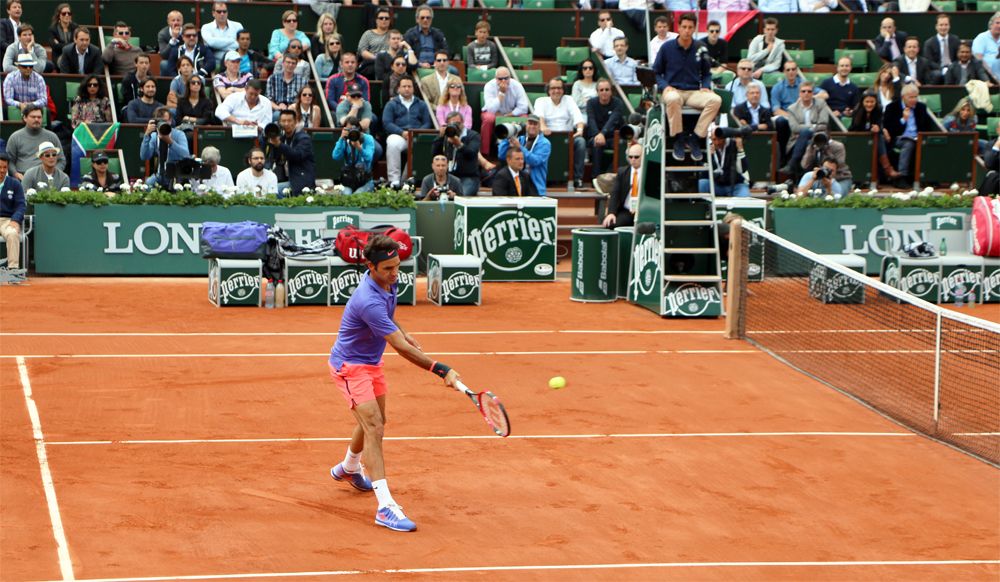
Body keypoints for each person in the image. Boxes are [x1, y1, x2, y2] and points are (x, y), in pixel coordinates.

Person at [327, 232, 461, 533]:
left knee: (375, 421)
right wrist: (443, 370)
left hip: (371, 363)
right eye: (387, 269)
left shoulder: (388, 282)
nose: (394, 273)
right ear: (370, 267)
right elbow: (399, 347)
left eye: (397, 266)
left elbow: (390, 318)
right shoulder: (367, 299)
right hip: (350, 366)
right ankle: (385, 507)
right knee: (373, 425)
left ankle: (348, 468)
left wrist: (402, 330)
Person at [653, 13, 721, 162]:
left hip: (693, 92)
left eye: (690, 27)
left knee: (716, 100)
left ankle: (695, 138)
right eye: (684, 27)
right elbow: (656, 73)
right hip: (672, 90)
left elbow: (707, 73)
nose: (687, 30)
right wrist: (665, 86)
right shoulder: (666, 47)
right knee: (673, 98)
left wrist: (706, 86)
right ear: (678, 27)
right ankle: (679, 138)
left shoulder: (701, 47)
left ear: (695, 28)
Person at [534, 77, 586, 189]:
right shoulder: (541, 100)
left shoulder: (569, 100)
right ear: (548, 90)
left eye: (559, 88)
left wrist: (580, 130)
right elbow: (539, 118)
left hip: (567, 136)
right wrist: (543, 127)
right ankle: (544, 177)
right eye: (553, 88)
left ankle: (577, 178)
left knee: (581, 142)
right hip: (548, 135)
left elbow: (578, 117)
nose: (556, 91)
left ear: (563, 90)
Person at [383, 77, 433, 187]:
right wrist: (402, 133)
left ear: (413, 89)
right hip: (399, 135)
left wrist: (416, 133)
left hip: (417, 136)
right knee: (392, 143)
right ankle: (394, 180)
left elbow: (427, 123)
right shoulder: (391, 104)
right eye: (404, 86)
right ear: (398, 89)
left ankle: (405, 181)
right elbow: (387, 123)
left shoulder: (421, 104)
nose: (407, 89)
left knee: (420, 146)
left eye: (409, 86)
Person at [884, 84, 935, 187]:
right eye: (911, 97)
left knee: (932, 143)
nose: (914, 100)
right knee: (909, 143)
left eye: (916, 97)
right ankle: (902, 176)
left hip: (918, 137)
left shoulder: (921, 107)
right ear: (903, 97)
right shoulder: (892, 107)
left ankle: (930, 177)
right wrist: (903, 120)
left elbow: (927, 127)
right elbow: (890, 130)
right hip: (899, 138)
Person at [779, 81, 833, 178]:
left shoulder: (821, 104)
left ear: (813, 93)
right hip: (797, 140)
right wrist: (811, 126)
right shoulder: (792, 108)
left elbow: (823, 123)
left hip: (819, 138)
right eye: (803, 91)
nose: (806, 94)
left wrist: (807, 128)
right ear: (799, 93)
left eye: (809, 91)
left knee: (806, 134)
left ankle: (792, 163)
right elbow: (794, 128)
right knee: (807, 138)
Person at [4, 105, 65, 180]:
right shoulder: (15, 137)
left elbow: (61, 160)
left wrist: (53, 174)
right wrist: (16, 174)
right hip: (22, 177)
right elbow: (9, 162)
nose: (36, 119)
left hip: (47, 178)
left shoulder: (52, 136)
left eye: (39, 117)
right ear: (25, 118)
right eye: (33, 117)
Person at [850, 90, 899, 181]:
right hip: (858, 138)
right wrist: (871, 130)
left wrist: (879, 129)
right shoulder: (857, 111)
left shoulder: (878, 109)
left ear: (876, 102)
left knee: (881, 139)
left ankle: (879, 176)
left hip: (874, 138)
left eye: (872, 102)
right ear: (862, 102)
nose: (869, 104)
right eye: (867, 102)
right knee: (879, 139)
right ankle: (887, 169)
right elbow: (855, 128)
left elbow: (879, 125)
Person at [480, 67, 530, 155]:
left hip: (512, 114)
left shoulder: (517, 85)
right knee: (488, 119)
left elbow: (523, 107)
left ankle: (523, 150)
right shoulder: (489, 86)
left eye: (506, 78)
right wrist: (501, 94)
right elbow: (491, 109)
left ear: (510, 77)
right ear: (496, 79)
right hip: (493, 113)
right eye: (500, 79)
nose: (503, 81)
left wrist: (511, 114)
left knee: (524, 118)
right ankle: (485, 153)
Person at [497, 115, 550, 196]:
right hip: (518, 185)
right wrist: (508, 137)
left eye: (535, 124)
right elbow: (502, 155)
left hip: (536, 187)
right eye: (530, 123)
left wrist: (520, 147)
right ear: (526, 125)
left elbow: (535, 161)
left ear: (539, 127)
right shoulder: (520, 139)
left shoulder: (545, 143)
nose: (532, 126)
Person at [267, 109, 315, 196]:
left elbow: (297, 155)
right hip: (285, 178)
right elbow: (274, 158)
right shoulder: (281, 137)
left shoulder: (304, 138)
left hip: (300, 180)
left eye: (289, 121)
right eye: (283, 121)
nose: (286, 124)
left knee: (273, 191)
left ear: (296, 122)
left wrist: (279, 144)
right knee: (268, 188)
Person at [432, 110, 481, 196]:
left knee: (462, 196)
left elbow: (472, 154)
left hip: (468, 177)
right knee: (438, 195)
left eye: (458, 123)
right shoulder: (445, 135)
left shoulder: (473, 135)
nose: (455, 126)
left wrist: (459, 145)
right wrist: (440, 137)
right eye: (452, 124)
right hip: (448, 176)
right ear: (447, 124)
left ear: (463, 123)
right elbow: (434, 155)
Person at [140, 107, 190, 188]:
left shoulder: (179, 134)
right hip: (160, 174)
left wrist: (170, 141)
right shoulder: (154, 136)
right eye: (160, 122)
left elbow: (186, 155)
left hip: (177, 174)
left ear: (170, 121)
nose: (163, 124)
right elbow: (144, 156)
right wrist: (146, 135)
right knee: (147, 184)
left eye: (165, 121)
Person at [586, 79, 625, 177]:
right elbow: (591, 121)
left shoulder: (618, 103)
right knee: (596, 144)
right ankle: (595, 178)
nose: (604, 92)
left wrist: (602, 133)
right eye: (601, 90)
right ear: (597, 92)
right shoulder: (591, 103)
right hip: (595, 136)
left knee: (621, 144)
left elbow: (613, 120)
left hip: (613, 137)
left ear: (611, 91)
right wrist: (598, 135)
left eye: (607, 90)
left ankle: (612, 175)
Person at [697, 130, 750, 198]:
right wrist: (710, 158)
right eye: (714, 139)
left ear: (725, 137)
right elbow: (704, 175)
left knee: (744, 197)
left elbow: (742, 170)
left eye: (720, 139)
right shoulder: (710, 148)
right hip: (717, 186)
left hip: (736, 185)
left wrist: (740, 149)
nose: (717, 142)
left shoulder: (733, 145)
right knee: (701, 184)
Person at [332, 116, 375, 194]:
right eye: (349, 130)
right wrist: (341, 138)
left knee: (357, 195)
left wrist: (359, 148)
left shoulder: (368, 138)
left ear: (359, 128)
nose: (352, 132)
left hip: (364, 181)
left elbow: (369, 158)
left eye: (354, 129)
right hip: (348, 181)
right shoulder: (344, 140)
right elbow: (335, 156)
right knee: (346, 195)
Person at [603, 143, 641, 227]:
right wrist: (611, 213)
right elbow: (615, 193)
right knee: (611, 223)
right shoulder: (622, 172)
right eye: (630, 157)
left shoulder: (649, 172)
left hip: (643, 211)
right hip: (626, 210)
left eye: (636, 157)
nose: (633, 159)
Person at [0, 153, 26, 272]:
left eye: (5, 167)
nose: (2, 170)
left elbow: (21, 205)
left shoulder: (15, 183)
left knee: (12, 234)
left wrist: (16, 220)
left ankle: (13, 271)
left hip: (8, 220)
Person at [403, 6, 449, 70]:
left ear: (431, 19)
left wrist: (438, 62)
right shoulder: (410, 34)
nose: (425, 20)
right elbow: (405, 54)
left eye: (428, 18)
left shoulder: (438, 33)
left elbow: (445, 50)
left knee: (454, 71)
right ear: (417, 19)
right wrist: (419, 64)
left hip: (436, 65)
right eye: (422, 18)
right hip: (417, 66)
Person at [267, 55, 308, 119]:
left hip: (296, 109)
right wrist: (278, 107)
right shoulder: (272, 78)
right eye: (288, 62)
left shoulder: (302, 80)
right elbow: (268, 99)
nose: (290, 65)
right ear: (283, 63)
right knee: (276, 116)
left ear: (296, 65)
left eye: (293, 63)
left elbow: (304, 99)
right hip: (277, 109)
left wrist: (292, 107)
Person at [358, 6, 392, 76]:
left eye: (387, 18)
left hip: (390, 64)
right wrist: (377, 58)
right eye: (381, 18)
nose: (384, 20)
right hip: (372, 63)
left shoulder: (394, 34)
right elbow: (362, 51)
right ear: (376, 20)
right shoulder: (368, 34)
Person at [972, 11, 1000, 79]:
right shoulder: (981, 37)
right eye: (997, 23)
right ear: (991, 25)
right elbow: (978, 59)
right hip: (987, 74)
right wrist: (993, 75)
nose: (999, 26)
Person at [572, 59, 598, 124]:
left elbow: (600, 102)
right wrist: (592, 101)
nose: (588, 70)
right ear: (581, 70)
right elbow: (577, 102)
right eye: (585, 68)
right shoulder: (577, 84)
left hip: (596, 113)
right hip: (582, 113)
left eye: (590, 68)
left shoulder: (598, 84)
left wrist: (586, 100)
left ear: (594, 70)